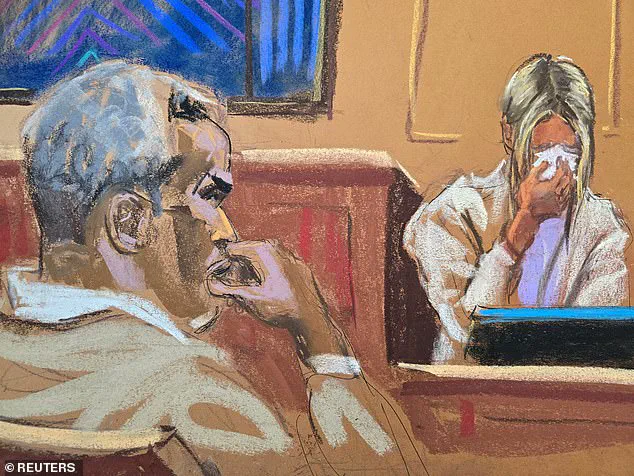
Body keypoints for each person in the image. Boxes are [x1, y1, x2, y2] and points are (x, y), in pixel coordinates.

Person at [0, 61, 426, 474]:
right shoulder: (195, 395)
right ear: (129, 222)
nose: (227, 231)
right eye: (210, 196)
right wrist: (319, 335)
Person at [404, 54, 631, 365]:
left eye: (570, 151)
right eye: (541, 150)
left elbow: (595, 339)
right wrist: (517, 234)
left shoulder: (602, 224)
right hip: (471, 384)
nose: (557, 168)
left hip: (563, 385)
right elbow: (467, 335)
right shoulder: (454, 213)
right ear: (509, 134)